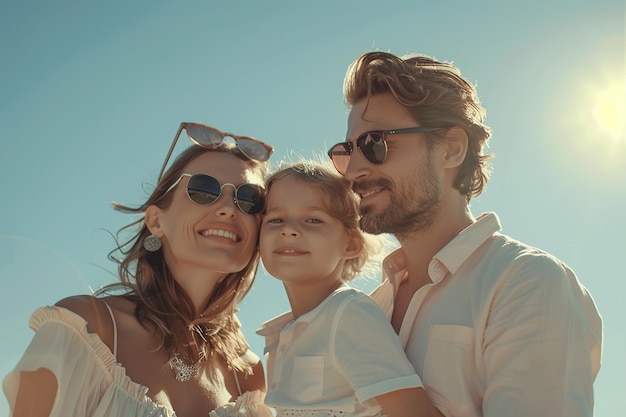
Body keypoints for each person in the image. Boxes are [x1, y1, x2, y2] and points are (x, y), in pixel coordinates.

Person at [326, 51, 603, 417]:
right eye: (347, 151)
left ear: (451, 148)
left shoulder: (527, 282)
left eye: (374, 143)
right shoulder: (374, 305)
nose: (354, 170)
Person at [3, 122, 275, 417]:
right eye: (203, 189)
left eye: (250, 199)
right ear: (156, 221)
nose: (228, 207)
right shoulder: (86, 329)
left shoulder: (248, 375)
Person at [257, 160, 444, 417]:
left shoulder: (349, 314)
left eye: (313, 220)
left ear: (351, 244)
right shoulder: (280, 335)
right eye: (276, 219)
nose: (288, 230)